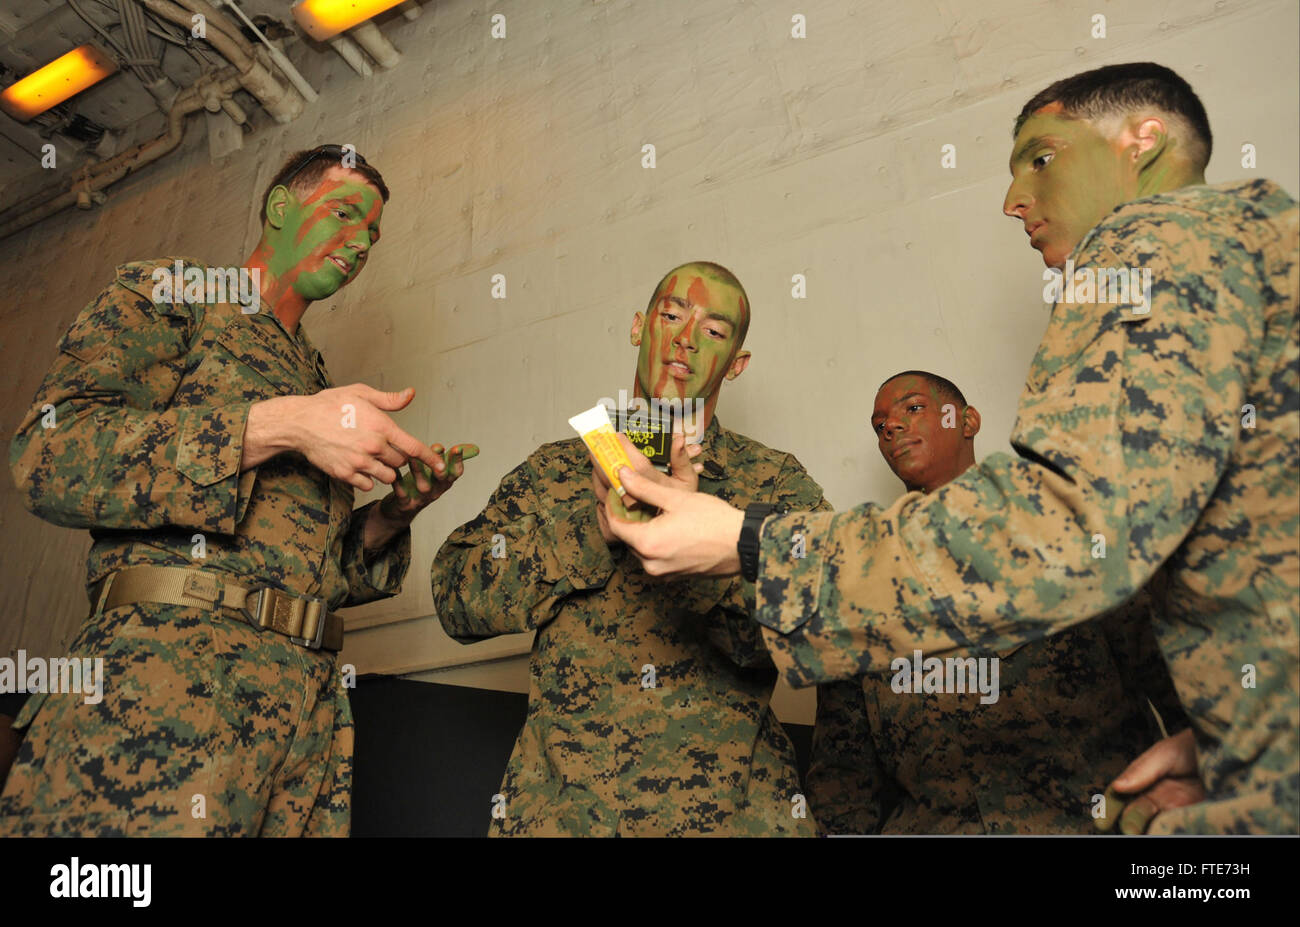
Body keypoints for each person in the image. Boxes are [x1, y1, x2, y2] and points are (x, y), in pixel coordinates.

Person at [603, 63, 1299, 834]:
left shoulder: (1157, 238)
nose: (1013, 201)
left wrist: (747, 540)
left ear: (1142, 141)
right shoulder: (1263, 246)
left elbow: (1065, 530)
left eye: (1041, 158)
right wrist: (1233, 736)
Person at [2, 144, 475, 836]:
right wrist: (278, 423)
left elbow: (304, 570)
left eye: (372, 234)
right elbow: (51, 455)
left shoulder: (314, 378)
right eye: (343, 214)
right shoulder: (178, 295)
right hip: (159, 697)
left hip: (301, 721)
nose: (360, 243)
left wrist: (394, 514)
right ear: (280, 208)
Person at [432, 262, 830, 835]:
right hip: (560, 818)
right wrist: (590, 528)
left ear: (737, 365)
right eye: (672, 315)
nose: (686, 338)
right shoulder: (554, 470)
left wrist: (704, 550)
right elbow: (455, 597)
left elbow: (819, 627)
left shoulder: (774, 484)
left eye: (714, 332)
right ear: (639, 327)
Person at [808, 370, 1187, 834]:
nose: (891, 427)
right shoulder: (863, 586)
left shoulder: (1064, 539)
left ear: (968, 421)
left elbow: (1173, 681)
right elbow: (843, 774)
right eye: (879, 424)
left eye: (912, 408)